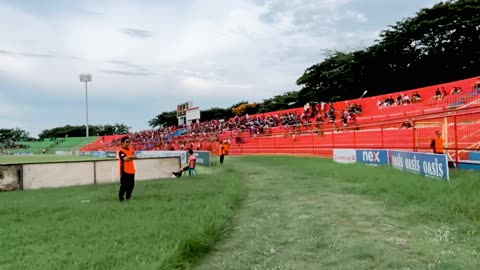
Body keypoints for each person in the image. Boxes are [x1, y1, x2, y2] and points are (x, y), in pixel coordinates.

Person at [118, 136, 136, 202]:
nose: (128, 143)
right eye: (127, 141)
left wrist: (130, 157)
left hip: (132, 170)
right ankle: (121, 198)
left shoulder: (131, 149)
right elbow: (125, 159)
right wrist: (131, 157)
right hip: (124, 171)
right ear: (122, 142)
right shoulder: (121, 151)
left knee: (131, 185)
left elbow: (133, 156)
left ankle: (128, 197)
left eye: (129, 141)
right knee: (124, 186)